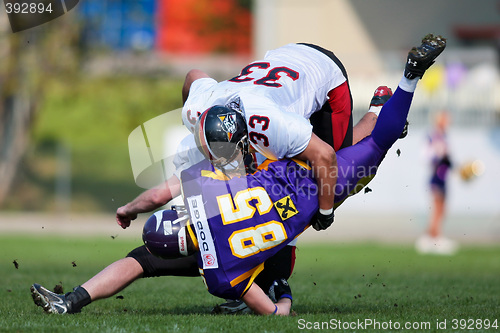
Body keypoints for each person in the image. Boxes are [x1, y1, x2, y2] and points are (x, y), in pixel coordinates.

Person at [30, 33, 446, 315]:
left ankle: (74, 302)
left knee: (360, 150)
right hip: (287, 168)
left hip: (306, 108)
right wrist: (131, 208)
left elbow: (273, 313)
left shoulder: (223, 273)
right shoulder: (203, 184)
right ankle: (390, 99)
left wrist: (280, 292)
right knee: (358, 151)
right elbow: (161, 193)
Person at [415, 110, 458, 255]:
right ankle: (434, 237)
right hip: (436, 176)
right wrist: (438, 154)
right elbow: (425, 156)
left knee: (442, 208)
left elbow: (448, 158)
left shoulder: (443, 136)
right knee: (437, 207)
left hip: (443, 176)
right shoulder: (433, 136)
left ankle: (432, 236)